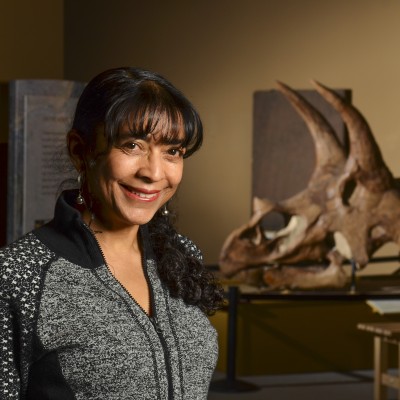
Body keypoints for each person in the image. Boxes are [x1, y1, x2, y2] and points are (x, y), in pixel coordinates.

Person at [0, 67, 224, 399]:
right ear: (81, 151)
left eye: (173, 151)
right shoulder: (18, 273)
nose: (154, 172)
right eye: (132, 145)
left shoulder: (180, 253)